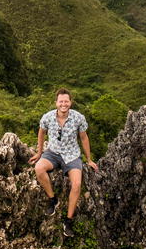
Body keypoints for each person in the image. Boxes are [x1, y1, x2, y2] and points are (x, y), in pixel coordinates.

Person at [27, 88, 98, 237]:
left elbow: (84, 138)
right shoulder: (47, 117)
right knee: (39, 169)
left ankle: (68, 220)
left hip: (72, 155)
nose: (63, 104)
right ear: (56, 103)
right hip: (52, 152)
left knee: (77, 184)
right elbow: (41, 132)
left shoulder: (78, 118)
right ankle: (53, 199)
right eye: (61, 101)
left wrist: (89, 159)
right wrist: (39, 153)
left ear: (70, 102)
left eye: (66, 101)